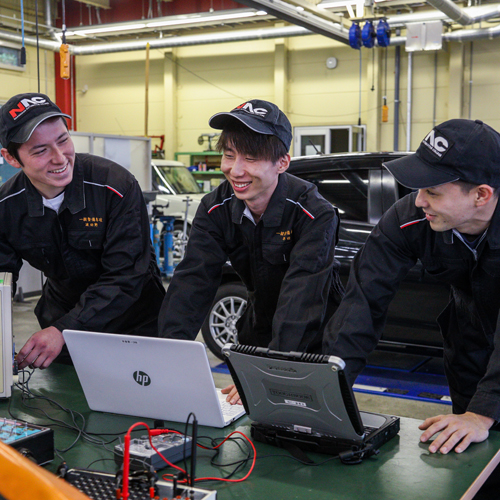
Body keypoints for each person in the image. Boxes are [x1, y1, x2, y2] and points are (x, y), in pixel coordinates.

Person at [323, 118, 500, 455]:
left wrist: (484, 410)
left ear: (481, 195)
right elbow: (362, 301)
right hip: (469, 351)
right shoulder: (410, 219)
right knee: (479, 466)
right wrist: (328, 387)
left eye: (432, 190)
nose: (419, 201)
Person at [158, 99, 344, 402]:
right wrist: (167, 355)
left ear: (282, 163)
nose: (235, 170)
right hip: (258, 322)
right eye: (229, 155)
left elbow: (301, 298)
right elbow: (192, 282)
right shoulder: (214, 208)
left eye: (251, 158)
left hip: (315, 332)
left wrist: (269, 374)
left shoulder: (313, 213)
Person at [0, 93, 165, 370]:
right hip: (62, 319)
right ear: (12, 158)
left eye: (63, 140)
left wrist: (64, 329)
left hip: (136, 321)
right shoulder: (6, 208)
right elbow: (1, 283)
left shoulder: (115, 186)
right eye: (40, 151)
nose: (59, 158)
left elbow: (126, 276)